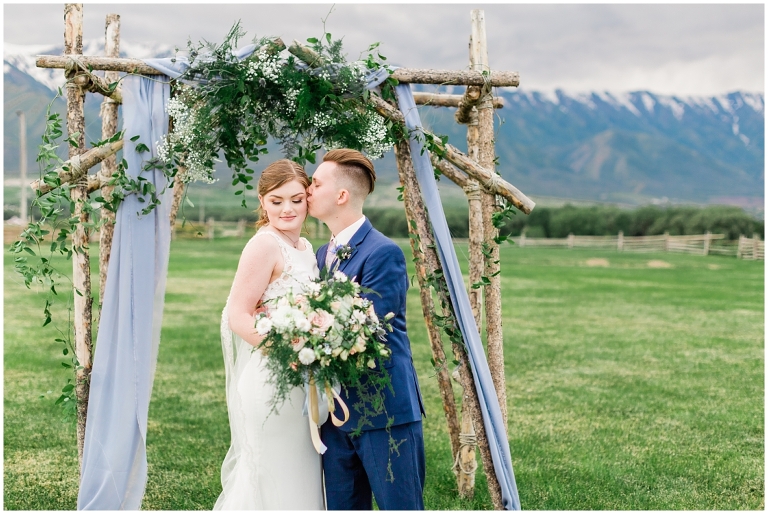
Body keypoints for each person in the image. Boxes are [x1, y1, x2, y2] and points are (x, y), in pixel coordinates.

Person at [307, 148, 427, 510]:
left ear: (341, 195)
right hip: (335, 414)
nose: (308, 190)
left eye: (315, 183)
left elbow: (371, 331)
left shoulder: (383, 252)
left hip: (384, 411)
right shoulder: (318, 254)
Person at [215, 159, 324, 510]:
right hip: (272, 378)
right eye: (276, 201)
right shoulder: (264, 245)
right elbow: (237, 315)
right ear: (262, 202)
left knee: (303, 474)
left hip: (304, 378)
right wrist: (286, 353)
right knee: (274, 477)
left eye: (295, 199)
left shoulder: (306, 248)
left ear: (308, 198)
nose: (287, 209)